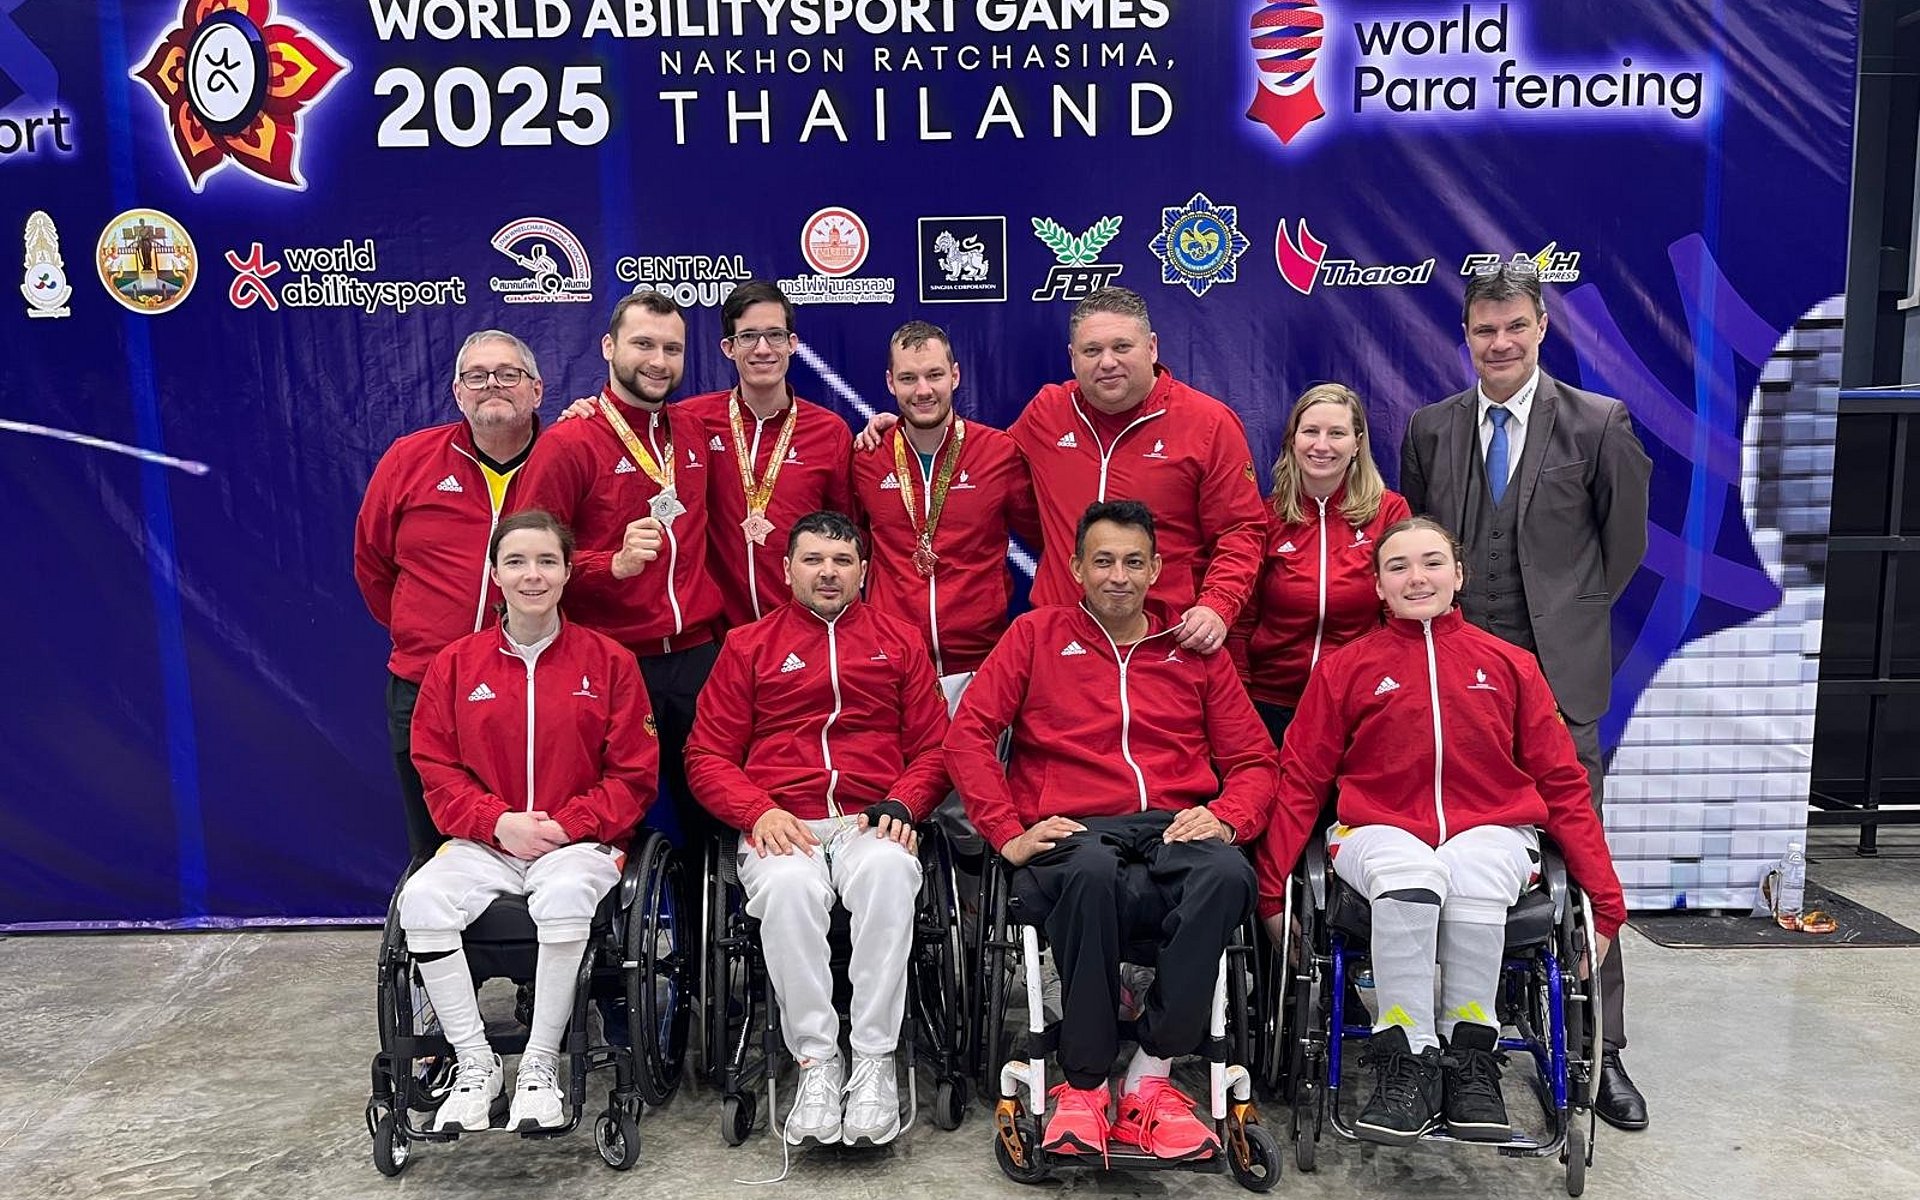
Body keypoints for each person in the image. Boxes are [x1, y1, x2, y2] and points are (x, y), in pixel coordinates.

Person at [1255, 516, 1626, 1146]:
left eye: (1431, 563)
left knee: (1474, 872)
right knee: (1413, 872)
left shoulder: (1511, 665)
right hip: (1375, 829)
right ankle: (1408, 1059)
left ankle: (1471, 1056)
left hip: (1492, 827)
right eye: (1397, 566)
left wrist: (1607, 905)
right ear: (1378, 586)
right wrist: (1272, 894)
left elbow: (1563, 785)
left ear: (1459, 575)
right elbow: (1300, 781)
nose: (1417, 578)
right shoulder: (1345, 670)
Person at [1398, 263, 1652, 1130]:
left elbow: (1621, 550)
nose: (1499, 343)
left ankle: (1602, 1050)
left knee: (1582, 860)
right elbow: (1420, 554)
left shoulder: (1599, 423)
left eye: (1515, 326)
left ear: (1542, 327)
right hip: (1453, 693)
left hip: (1559, 689)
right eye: (1484, 330)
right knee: (1451, 859)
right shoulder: (1430, 429)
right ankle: (1442, 1033)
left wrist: (1563, 620)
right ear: (1465, 336)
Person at [946, 500, 1278, 1162]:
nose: (1118, 576)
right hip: (1075, 830)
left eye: (1133, 562)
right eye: (1102, 561)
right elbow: (968, 736)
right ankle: (1086, 1085)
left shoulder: (1192, 650)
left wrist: (1226, 816)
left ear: (1157, 569)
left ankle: (1151, 1075)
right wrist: (1008, 832)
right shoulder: (1035, 636)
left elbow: (1254, 761)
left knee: (1227, 873)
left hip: (1170, 829)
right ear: (1075, 568)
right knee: (1092, 872)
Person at [684, 511, 951, 1148]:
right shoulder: (747, 646)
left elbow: (937, 748)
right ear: (787, 570)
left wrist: (904, 803)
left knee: (890, 870)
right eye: (813, 560)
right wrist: (757, 811)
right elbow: (706, 755)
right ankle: (817, 1062)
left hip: (869, 817)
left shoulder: (901, 641)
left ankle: (875, 1060)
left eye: (841, 561)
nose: (827, 572)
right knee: (787, 889)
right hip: (783, 822)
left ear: (863, 571)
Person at [398, 510, 658, 1134]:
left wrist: (567, 825)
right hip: (486, 843)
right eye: (515, 562)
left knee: (565, 894)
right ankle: (475, 1061)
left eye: (546, 561)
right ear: (494, 574)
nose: (532, 575)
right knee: (422, 900)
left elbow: (633, 775)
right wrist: (498, 823)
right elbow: (436, 767)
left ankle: (540, 1064)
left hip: (579, 843)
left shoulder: (611, 662)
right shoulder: (455, 664)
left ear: (568, 572)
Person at [515, 291, 724, 842]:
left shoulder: (696, 429)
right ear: (609, 347)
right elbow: (527, 556)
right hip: (610, 657)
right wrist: (612, 564)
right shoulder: (569, 442)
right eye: (643, 344)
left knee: (713, 813)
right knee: (605, 815)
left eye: (672, 349)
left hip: (696, 658)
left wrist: (887, 425)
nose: (659, 361)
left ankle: (715, 902)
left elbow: (765, 416)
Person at [356, 329, 544, 857]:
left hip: (532, 687)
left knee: (527, 844)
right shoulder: (409, 459)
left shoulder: (565, 459)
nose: (492, 386)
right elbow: (373, 564)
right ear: (459, 393)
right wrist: (422, 632)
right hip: (424, 684)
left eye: (508, 374)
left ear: (536, 389)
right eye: (476, 377)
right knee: (435, 849)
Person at [1008, 287, 1268, 658]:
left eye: (1122, 347)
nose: (1107, 362)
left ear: (1152, 347)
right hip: (1062, 643)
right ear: (1072, 358)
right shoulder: (1047, 412)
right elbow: (992, 474)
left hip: (1166, 643)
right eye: (1092, 351)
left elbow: (1240, 530)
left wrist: (1217, 606)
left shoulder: (1208, 424)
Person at [851, 320, 1039, 707]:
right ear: (890, 383)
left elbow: (1046, 533)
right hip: (892, 665)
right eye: (908, 378)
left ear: (955, 375)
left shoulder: (998, 453)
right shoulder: (867, 458)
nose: (923, 390)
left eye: (934, 375)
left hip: (982, 664)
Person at [1229, 383, 1411, 747]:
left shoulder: (1389, 512)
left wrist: (1390, 689)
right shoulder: (1265, 517)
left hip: (1358, 704)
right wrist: (1239, 702)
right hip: (1271, 704)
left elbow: (1401, 615)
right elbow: (1241, 621)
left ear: (1357, 443)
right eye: (1311, 431)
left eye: (1337, 433)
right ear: (1293, 440)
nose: (1322, 445)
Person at [682, 281, 855, 627]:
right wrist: (588, 411)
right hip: (715, 636)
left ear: (792, 343)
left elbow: (846, 532)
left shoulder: (830, 431)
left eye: (775, 335)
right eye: (748, 336)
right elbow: (632, 428)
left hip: (802, 630)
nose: (763, 349)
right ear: (729, 348)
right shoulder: (691, 420)